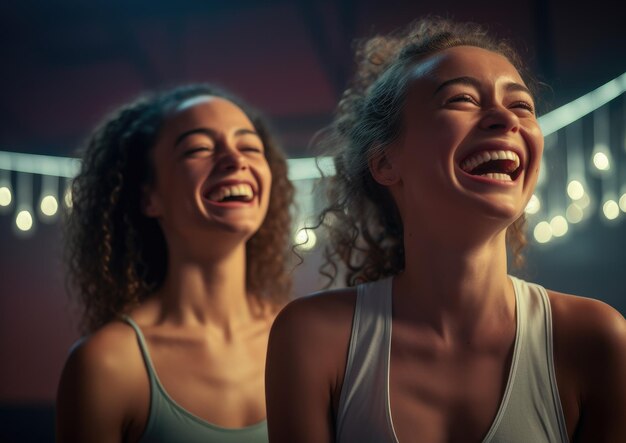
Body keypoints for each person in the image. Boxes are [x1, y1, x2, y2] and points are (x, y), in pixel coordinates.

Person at [265, 17, 626, 443]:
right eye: (461, 100)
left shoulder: (594, 339)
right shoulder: (313, 338)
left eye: (521, 106)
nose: (503, 118)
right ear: (384, 163)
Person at [56, 83, 293, 442]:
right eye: (199, 148)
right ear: (149, 196)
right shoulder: (107, 365)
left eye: (249, 146)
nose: (235, 159)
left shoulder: (300, 338)